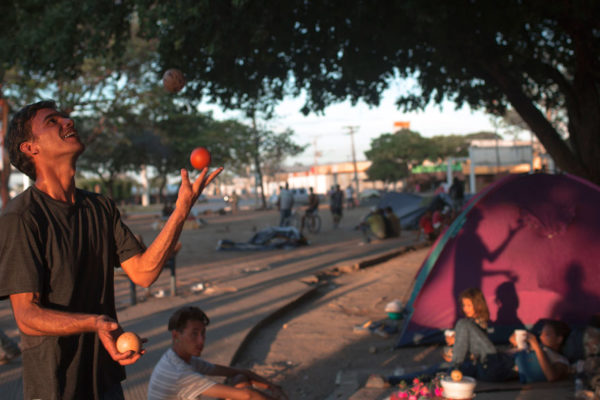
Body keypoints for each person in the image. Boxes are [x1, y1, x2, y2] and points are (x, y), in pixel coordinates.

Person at [0, 101, 222, 400]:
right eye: (52, 121)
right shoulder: (21, 217)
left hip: (105, 380)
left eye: (64, 116)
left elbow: (143, 273)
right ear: (30, 148)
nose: (68, 121)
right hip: (56, 387)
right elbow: (27, 316)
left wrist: (181, 210)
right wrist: (95, 322)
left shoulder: (100, 207)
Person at [148, 306, 287, 400]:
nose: (201, 341)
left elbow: (238, 372)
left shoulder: (179, 358)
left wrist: (273, 386)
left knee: (239, 379)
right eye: (194, 334)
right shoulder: (179, 372)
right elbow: (247, 395)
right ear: (176, 336)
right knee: (244, 392)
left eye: (203, 333)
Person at [444, 288, 514, 382]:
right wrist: (452, 346)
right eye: (464, 305)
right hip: (479, 369)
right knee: (438, 370)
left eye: (469, 305)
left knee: (463, 323)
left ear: (478, 305)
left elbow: (476, 347)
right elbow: (466, 349)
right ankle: (452, 368)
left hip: (490, 367)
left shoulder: (475, 323)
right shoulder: (469, 324)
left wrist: (456, 341)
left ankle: (454, 367)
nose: (465, 309)